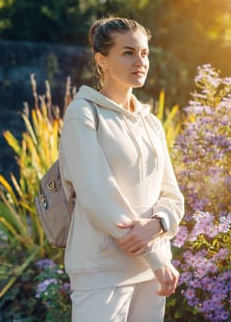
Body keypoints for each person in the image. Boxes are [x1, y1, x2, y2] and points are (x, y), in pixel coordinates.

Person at [59, 17, 184, 322]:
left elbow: (172, 194)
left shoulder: (150, 123)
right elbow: (98, 194)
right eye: (128, 52)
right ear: (101, 60)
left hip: (153, 270)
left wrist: (158, 224)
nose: (140, 61)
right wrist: (153, 255)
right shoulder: (83, 113)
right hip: (103, 269)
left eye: (144, 53)